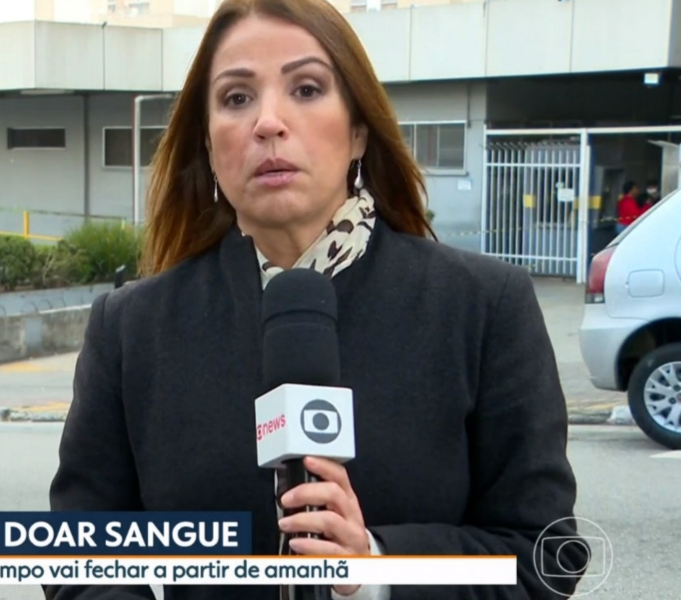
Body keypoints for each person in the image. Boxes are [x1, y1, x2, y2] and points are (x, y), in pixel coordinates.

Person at [45, 1, 586, 599]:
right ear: (207, 141)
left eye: (305, 89)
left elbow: (546, 555)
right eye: (236, 98)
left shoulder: (483, 307)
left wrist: (377, 568)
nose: (268, 123)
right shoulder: (132, 329)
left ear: (358, 128)